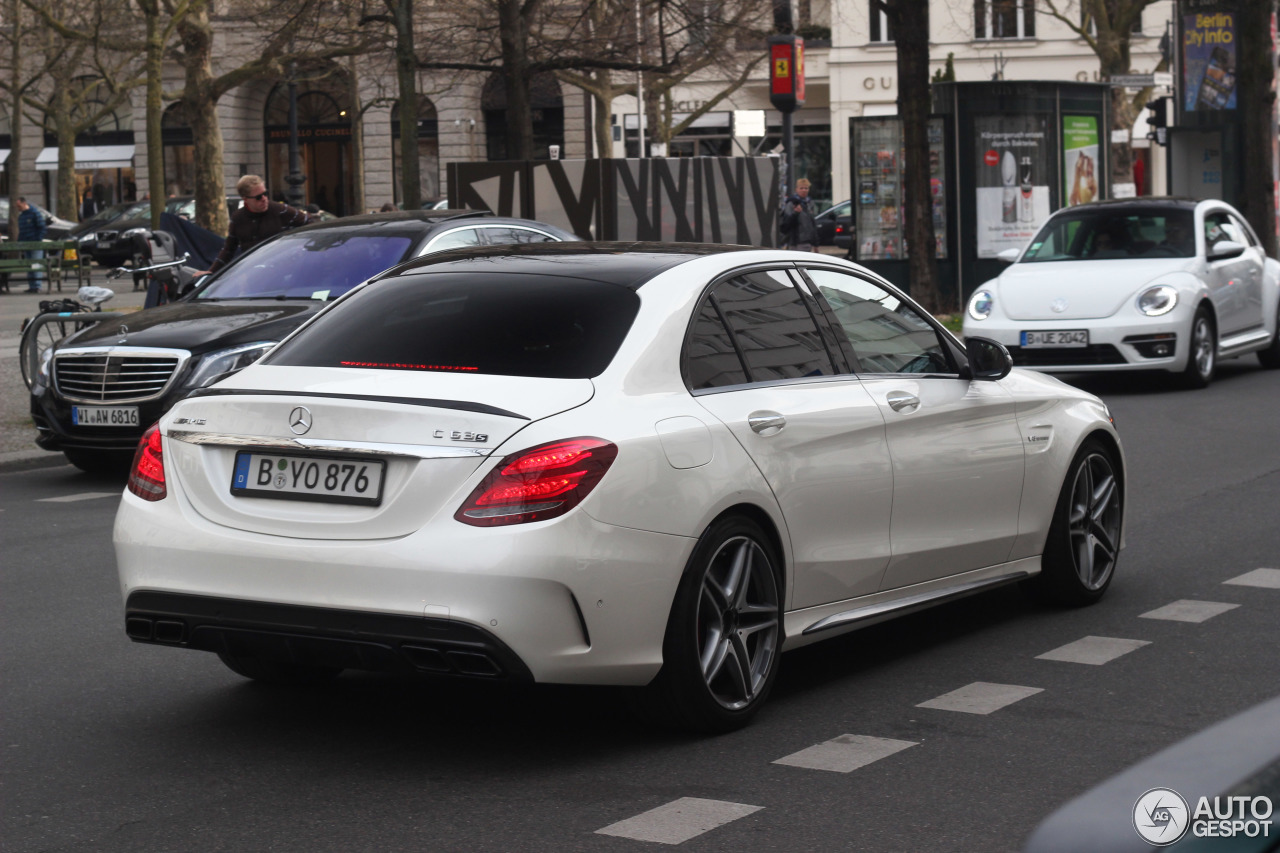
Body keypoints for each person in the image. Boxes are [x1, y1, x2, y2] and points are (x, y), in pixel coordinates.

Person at [196, 175, 312, 276]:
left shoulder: (280, 210)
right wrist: (211, 271)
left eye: (265, 194)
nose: (264, 199)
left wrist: (301, 249)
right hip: (252, 274)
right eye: (258, 197)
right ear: (245, 199)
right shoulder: (238, 218)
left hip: (283, 270)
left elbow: (310, 223)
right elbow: (228, 249)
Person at [16, 197, 48, 293]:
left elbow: (42, 227)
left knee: (36, 264)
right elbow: (21, 231)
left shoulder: (34, 213)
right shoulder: (21, 216)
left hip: (35, 243)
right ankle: (32, 286)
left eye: (19, 206)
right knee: (29, 265)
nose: (18, 208)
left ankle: (37, 285)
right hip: (26, 243)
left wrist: (38, 239)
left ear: (24, 203)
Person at [780, 178, 819, 252]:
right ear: (796, 189)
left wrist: (816, 244)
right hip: (796, 242)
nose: (804, 190)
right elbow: (786, 224)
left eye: (806, 188)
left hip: (807, 241)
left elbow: (812, 225)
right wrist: (796, 213)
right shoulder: (792, 203)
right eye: (801, 188)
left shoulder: (809, 203)